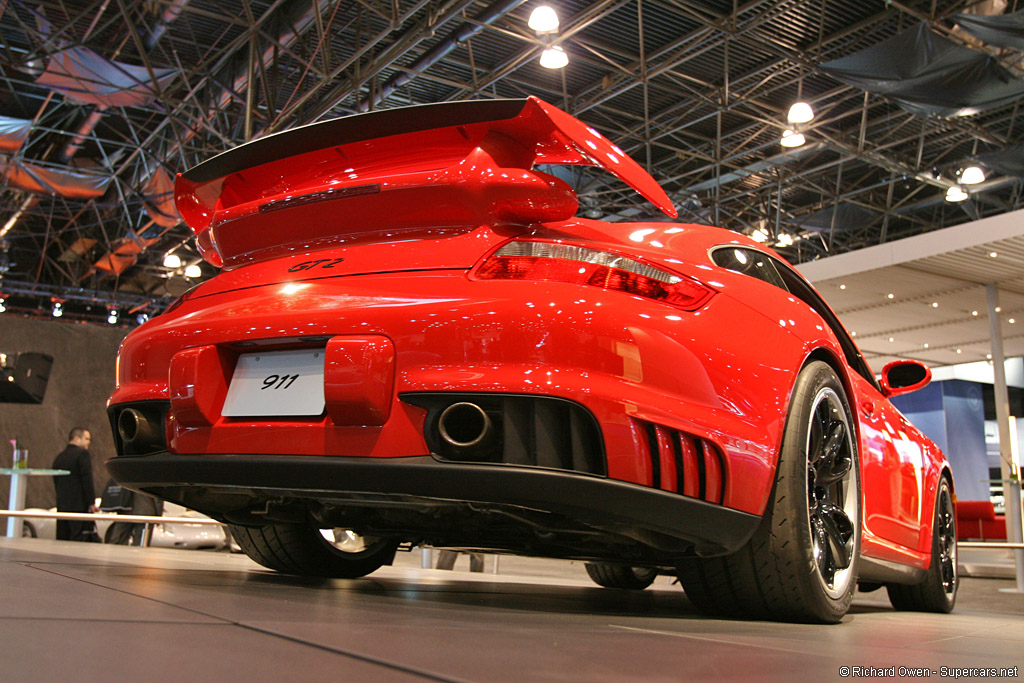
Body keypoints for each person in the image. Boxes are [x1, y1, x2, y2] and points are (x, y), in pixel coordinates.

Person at [52, 427, 100, 542]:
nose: (89, 442)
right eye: (86, 438)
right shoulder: (82, 454)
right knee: (77, 540)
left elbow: (56, 481)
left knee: (62, 538)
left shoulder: (59, 457)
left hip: (62, 504)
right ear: (77, 438)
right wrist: (91, 502)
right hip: (79, 505)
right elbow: (86, 478)